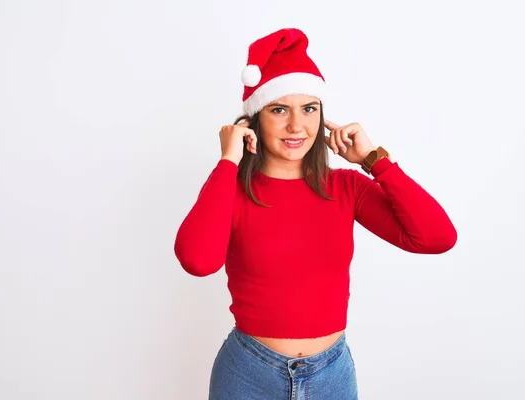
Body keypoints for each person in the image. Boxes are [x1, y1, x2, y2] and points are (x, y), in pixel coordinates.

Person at [173, 28, 457, 400]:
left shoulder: (346, 187)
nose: (296, 125)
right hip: (247, 374)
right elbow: (197, 260)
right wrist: (228, 161)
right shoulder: (233, 191)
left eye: (309, 109)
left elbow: (436, 238)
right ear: (253, 121)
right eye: (279, 109)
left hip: (331, 376)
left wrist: (377, 162)